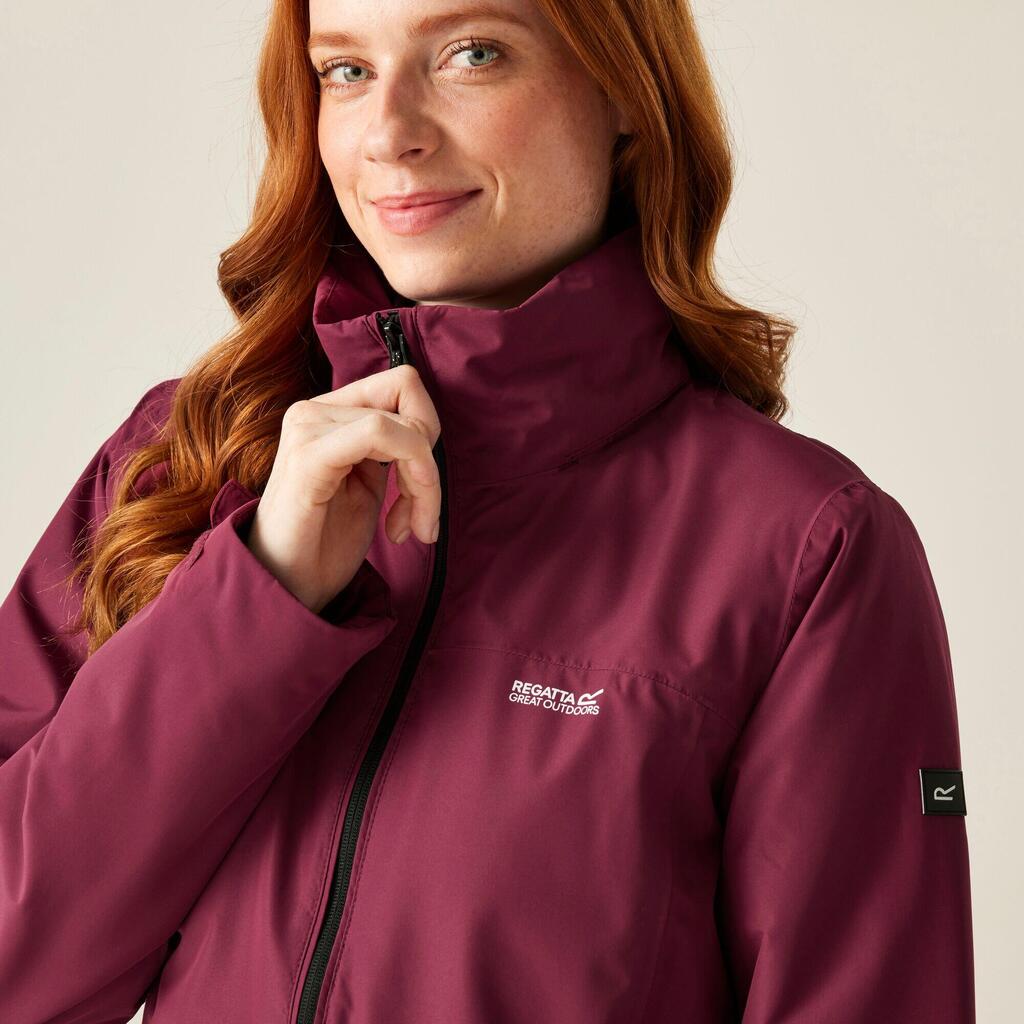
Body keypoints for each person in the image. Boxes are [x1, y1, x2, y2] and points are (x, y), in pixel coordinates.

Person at [0, 0, 975, 1021]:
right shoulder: (183, 463)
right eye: (345, 71)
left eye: (472, 53)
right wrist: (259, 593)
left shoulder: (805, 550)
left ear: (625, 88)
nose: (389, 132)